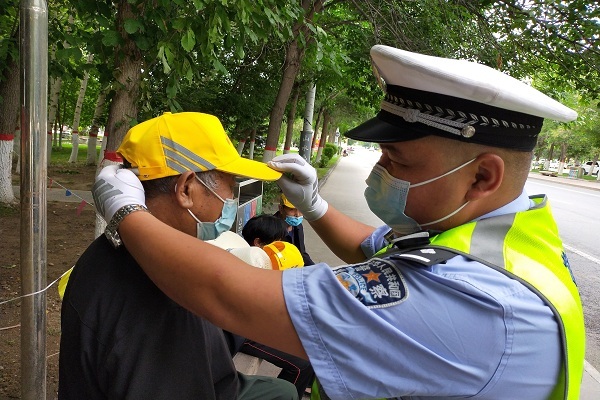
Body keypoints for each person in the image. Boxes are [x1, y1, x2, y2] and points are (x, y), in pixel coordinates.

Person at [91, 46, 585, 400]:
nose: (380, 171)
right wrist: (314, 206)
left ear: (482, 176)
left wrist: (126, 213)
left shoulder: (473, 302)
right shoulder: (497, 237)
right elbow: (374, 251)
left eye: (400, 161)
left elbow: (230, 295)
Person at [59, 112, 297, 400]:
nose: (232, 200)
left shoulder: (119, 253)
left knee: (280, 391)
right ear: (186, 188)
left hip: (208, 376)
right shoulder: (163, 293)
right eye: (230, 186)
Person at [228, 214, 316, 399]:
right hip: (243, 331)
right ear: (258, 243)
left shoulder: (267, 263)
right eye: (275, 242)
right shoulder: (242, 263)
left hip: (257, 323)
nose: (280, 247)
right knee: (302, 363)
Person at [275, 194, 315, 266]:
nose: (297, 214)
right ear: (281, 209)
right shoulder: (272, 229)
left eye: (300, 210)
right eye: (292, 210)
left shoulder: (298, 226)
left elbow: (302, 253)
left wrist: (315, 269)